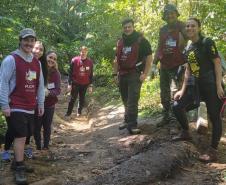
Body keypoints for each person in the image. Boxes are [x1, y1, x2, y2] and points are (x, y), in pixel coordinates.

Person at [172, 17, 224, 162]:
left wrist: (219, 85)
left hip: (212, 85)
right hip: (195, 86)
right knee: (177, 106)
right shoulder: (189, 46)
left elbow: (217, 63)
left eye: (193, 26)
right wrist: (182, 90)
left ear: (199, 28)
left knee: (214, 117)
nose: (189, 28)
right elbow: (188, 69)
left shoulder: (207, 42)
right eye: (187, 26)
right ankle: (185, 132)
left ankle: (213, 150)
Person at [0, 28, 45, 184]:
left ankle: (16, 162)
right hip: (15, 105)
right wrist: (4, 104)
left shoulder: (36, 62)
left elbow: (39, 85)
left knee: (26, 134)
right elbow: (3, 82)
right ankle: (19, 167)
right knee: (20, 136)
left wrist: (41, 103)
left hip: (30, 105)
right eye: (26, 40)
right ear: (20, 40)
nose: (29, 43)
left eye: (32, 40)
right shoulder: (11, 59)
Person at [113, 18, 152, 134]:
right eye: (125, 27)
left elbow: (149, 58)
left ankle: (133, 124)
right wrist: (115, 74)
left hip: (135, 74)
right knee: (125, 99)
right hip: (122, 74)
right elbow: (116, 60)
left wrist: (145, 73)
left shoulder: (142, 41)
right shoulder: (120, 42)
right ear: (122, 28)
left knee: (132, 100)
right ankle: (126, 120)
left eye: (129, 26)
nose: (127, 29)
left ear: (133, 27)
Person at [153, 3, 187, 126]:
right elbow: (159, 47)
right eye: (167, 14)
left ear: (176, 14)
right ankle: (166, 116)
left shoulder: (183, 26)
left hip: (177, 65)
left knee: (176, 93)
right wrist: (154, 63)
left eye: (172, 13)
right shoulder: (162, 29)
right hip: (164, 66)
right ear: (164, 16)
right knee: (164, 93)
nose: (170, 15)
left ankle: (175, 121)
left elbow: (192, 38)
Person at [34, 51, 61, 150]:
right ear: (45, 57)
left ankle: (46, 146)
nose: (52, 60)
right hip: (36, 104)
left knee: (47, 126)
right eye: (50, 57)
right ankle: (38, 146)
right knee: (36, 126)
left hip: (49, 104)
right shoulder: (37, 68)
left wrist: (49, 93)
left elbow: (58, 90)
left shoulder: (56, 73)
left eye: (54, 59)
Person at [65, 46, 93, 117]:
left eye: (85, 52)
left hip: (85, 84)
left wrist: (90, 85)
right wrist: (69, 84)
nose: (83, 53)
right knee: (72, 98)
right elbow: (70, 73)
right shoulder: (74, 60)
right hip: (75, 83)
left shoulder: (90, 62)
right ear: (80, 52)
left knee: (82, 98)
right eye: (82, 51)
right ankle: (68, 113)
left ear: (87, 52)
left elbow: (91, 75)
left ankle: (79, 112)